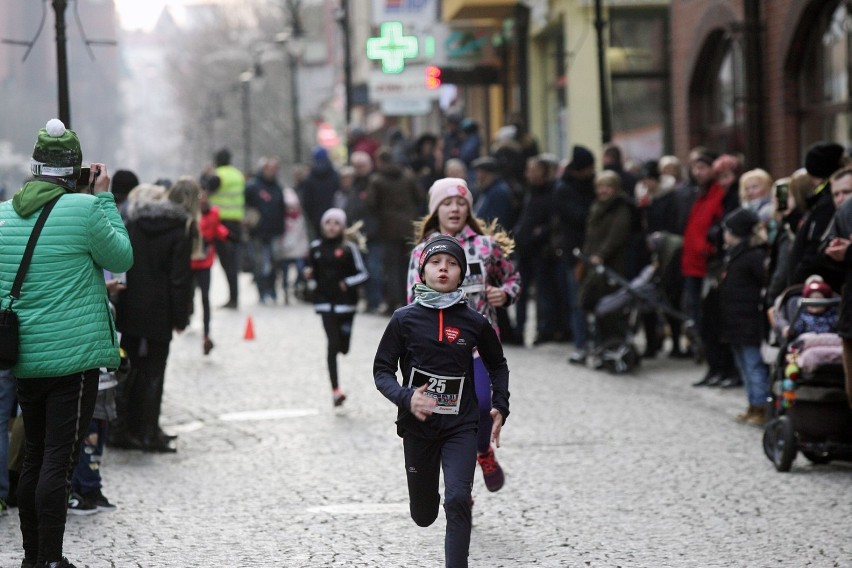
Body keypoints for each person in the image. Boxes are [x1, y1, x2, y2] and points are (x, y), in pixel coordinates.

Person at [0, 119, 133, 568]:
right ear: (75, 169)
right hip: (72, 358)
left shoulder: (2, 215)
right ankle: (51, 558)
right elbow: (121, 258)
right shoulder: (85, 210)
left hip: (23, 356)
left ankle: (32, 557)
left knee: (36, 452)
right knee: (60, 456)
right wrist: (104, 196)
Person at [374, 235, 510, 568]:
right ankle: (425, 498)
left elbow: (498, 364)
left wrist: (500, 405)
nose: (443, 269)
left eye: (451, 264)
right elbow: (381, 371)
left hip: (460, 426)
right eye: (436, 263)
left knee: (459, 499)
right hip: (418, 427)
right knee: (423, 515)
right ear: (423, 272)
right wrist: (407, 398)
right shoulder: (404, 319)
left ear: (461, 274)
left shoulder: (474, 322)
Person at [407, 178, 520, 493]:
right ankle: (459, 488)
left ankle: (483, 451)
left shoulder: (485, 246)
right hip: (439, 351)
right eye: (446, 203)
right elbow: (410, 300)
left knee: (483, 405)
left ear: (469, 208)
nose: (454, 208)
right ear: (435, 210)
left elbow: (512, 276)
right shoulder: (421, 252)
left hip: (479, 347)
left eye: (460, 203)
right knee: (446, 420)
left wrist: (505, 293)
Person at [113, 179, 196, 453]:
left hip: (131, 304)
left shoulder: (137, 220)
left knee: (129, 366)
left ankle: (124, 428)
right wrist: (181, 317)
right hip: (159, 309)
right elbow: (179, 279)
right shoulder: (181, 228)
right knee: (153, 372)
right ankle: (148, 431)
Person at [305, 208, 369, 406]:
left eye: (336, 223)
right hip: (325, 303)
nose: (331, 226)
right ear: (322, 225)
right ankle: (335, 390)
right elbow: (310, 273)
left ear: (342, 227)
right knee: (332, 344)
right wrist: (309, 278)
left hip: (346, 305)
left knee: (344, 347)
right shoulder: (315, 248)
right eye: (328, 222)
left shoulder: (349, 248)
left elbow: (363, 274)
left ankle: (343, 346)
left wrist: (347, 283)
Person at [717, 208, 770, 425]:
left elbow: (764, 282)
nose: (724, 235)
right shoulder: (734, 255)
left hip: (748, 319)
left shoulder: (752, 256)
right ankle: (752, 403)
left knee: (753, 364)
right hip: (734, 320)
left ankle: (761, 407)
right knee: (743, 365)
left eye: (727, 231)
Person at [192, 182, 230, 354]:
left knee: (205, 299)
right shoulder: (190, 214)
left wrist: (228, 236)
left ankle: (206, 335)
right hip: (189, 263)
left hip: (205, 262)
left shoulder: (213, 213)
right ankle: (185, 317)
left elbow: (217, 229)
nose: (203, 200)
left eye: (205, 197)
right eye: (200, 197)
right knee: (187, 296)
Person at [206, 148, 246, 309]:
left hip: (221, 223)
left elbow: (205, 189)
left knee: (226, 262)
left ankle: (233, 298)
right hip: (236, 222)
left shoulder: (218, 175)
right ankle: (234, 296)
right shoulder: (238, 175)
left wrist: (205, 174)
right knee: (232, 262)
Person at [244, 157, 286, 304]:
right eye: (269, 168)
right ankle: (262, 292)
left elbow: (282, 210)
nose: (272, 171)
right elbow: (245, 206)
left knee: (275, 263)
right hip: (258, 233)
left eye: (274, 169)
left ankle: (272, 290)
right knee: (259, 264)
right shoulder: (253, 186)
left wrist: (282, 230)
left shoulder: (277, 187)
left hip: (274, 232)